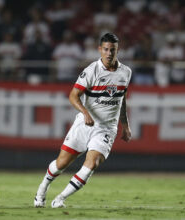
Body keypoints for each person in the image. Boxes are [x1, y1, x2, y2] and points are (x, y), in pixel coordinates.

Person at [34, 33, 132, 208]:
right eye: (106, 49)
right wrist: (85, 113)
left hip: (106, 128)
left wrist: (125, 124)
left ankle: (60, 198)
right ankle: (42, 189)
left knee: (92, 163)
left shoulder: (126, 72)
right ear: (100, 50)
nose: (109, 53)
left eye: (113, 50)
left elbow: (121, 98)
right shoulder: (91, 71)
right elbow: (73, 96)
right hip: (84, 123)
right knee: (61, 164)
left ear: (118, 50)